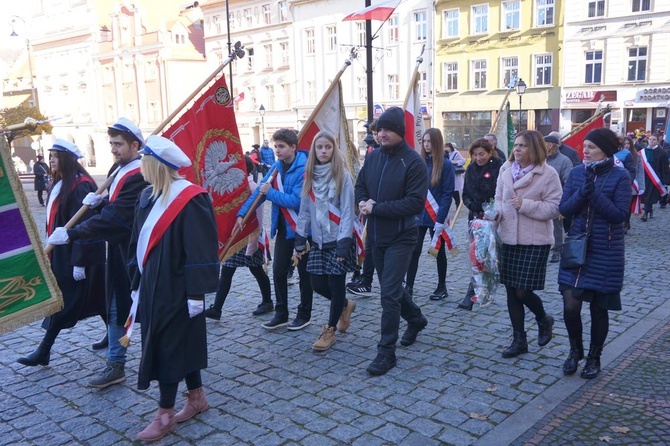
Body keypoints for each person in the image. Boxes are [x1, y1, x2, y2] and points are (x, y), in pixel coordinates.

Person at [127, 136, 219, 442]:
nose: (140, 164)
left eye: (144, 159)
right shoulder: (146, 197)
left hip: (179, 287)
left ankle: (164, 414)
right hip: (152, 284)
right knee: (180, 341)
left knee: (167, 345)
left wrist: (197, 293)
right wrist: (135, 282)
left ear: (155, 164)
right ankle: (197, 397)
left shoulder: (191, 199)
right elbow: (136, 244)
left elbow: (200, 248)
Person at [47, 118, 148, 388]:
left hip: (138, 254)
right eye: (112, 144)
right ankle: (116, 365)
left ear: (135, 145)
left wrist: (73, 232)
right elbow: (112, 210)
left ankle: (164, 364)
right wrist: (99, 203)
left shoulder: (138, 173)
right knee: (116, 307)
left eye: (119, 144)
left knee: (146, 310)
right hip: (118, 253)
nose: (113, 149)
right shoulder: (119, 168)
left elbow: (117, 219)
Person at [17, 140, 105, 367]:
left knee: (62, 301)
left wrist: (80, 261)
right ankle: (115, 335)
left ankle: (43, 350)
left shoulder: (80, 185)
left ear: (67, 159)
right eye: (51, 156)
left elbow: (86, 226)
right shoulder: (60, 183)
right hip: (60, 253)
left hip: (73, 255)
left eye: (56, 156)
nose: (51, 160)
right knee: (99, 300)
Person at [355, 106, 429, 376]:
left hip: (401, 235)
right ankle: (416, 319)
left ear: (399, 132)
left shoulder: (413, 162)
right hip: (375, 235)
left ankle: (386, 352)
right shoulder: (373, 157)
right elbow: (360, 185)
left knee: (388, 293)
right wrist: (362, 201)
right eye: (379, 129)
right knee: (392, 287)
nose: (381, 134)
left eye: (387, 129)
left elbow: (414, 203)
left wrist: (377, 209)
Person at [558, 128, 630, 379]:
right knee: (570, 305)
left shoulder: (620, 176)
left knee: (599, 309)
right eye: (584, 146)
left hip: (606, 250)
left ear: (605, 149)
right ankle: (575, 350)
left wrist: (595, 194)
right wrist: (582, 192)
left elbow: (619, 215)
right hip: (577, 247)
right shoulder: (578, 173)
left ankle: (594, 356)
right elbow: (564, 210)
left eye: (590, 147)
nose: (584, 151)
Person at [236, 129, 314, 330]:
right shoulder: (277, 168)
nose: (277, 150)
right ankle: (281, 313)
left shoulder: (304, 169)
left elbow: (297, 202)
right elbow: (259, 193)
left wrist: (270, 193)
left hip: (302, 230)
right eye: (276, 146)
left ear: (293, 148)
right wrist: (242, 215)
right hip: (282, 228)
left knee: (304, 276)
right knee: (279, 272)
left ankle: (304, 314)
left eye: (281, 146)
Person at [495, 130, 562, 358]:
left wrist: (525, 204)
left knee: (523, 291)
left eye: (523, 146)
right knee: (511, 291)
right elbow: (498, 197)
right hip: (508, 237)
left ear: (534, 148)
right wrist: (496, 213)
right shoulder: (506, 169)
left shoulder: (548, 173)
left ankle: (544, 319)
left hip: (535, 240)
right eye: (516, 145)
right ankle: (519, 339)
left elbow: (554, 208)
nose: (517, 149)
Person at [294, 131, 357, 351]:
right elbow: (304, 211)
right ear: (314, 150)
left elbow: (348, 211)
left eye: (327, 147)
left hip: (338, 239)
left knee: (336, 283)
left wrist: (343, 243)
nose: (323, 151)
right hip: (318, 242)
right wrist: (300, 240)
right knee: (317, 284)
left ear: (334, 149)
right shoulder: (309, 175)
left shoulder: (343, 175)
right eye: (319, 147)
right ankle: (345, 305)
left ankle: (329, 330)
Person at [204, 156, 274, 320]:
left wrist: (252, 245)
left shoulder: (252, 187)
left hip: (248, 238)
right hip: (236, 237)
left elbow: (258, 216)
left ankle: (267, 301)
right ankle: (217, 308)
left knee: (256, 270)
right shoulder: (238, 186)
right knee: (228, 271)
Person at [405, 128, 455, 301]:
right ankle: (408, 287)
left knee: (438, 251)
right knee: (413, 251)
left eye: (429, 142)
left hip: (436, 215)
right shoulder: (419, 162)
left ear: (437, 143)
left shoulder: (446, 165)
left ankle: (442, 286)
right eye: (424, 141)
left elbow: (448, 194)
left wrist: (441, 219)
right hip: (418, 215)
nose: (426, 145)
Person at [458, 138, 504, 310]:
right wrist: (475, 207)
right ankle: (473, 292)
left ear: (490, 152)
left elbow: (500, 193)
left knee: (488, 254)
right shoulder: (470, 169)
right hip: (476, 217)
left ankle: (483, 289)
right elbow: (466, 195)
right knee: (476, 254)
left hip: (493, 218)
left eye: (481, 154)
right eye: (475, 155)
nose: (478, 158)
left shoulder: (499, 167)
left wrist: (491, 210)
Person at [347, 120, 378, 297]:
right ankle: (364, 278)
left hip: (381, 210)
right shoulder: (372, 153)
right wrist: (362, 200)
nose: (375, 136)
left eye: (376, 132)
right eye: (373, 133)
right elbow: (363, 182)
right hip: (366, 208)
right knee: (368, 244)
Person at [544, 134, 573, 264]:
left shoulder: (564, 161)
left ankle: (557, 250)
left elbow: (568, 181)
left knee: (556, 226)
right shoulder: (540, 159)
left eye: (544, 145)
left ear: (551, 146)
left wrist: (563, 199)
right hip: (540, 198)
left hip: (556, 198)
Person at [615, 136, 643, 232]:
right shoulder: (613, 153)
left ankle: (626, 222)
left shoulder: (635, 155)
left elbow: (638, 171)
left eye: (628, 143)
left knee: (627, 204)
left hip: (630, 183)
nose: (626, 145)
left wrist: (641, 185)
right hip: (616, 183)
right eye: (624, 143)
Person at [640, 134, 669, 221]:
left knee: (650, 195)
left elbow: (665, 167)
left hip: (655, 177)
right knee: (646, 194)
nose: (651, 141)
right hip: (645, 176)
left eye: (654, 139)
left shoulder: (662, 153)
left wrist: (666, 180)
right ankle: (649, 210)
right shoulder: (643, 152)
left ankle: (646, 212)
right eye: (650, 139)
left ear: (657, 141)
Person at [445, 142, 466, 208]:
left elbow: (463, 161)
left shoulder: (456, 153)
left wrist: (455, 162)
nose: (446, 148)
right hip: (447, 174)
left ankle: (458, 203)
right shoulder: (444, 153)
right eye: (445, 147)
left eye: (447, 147)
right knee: (449, 190)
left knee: (454, 190)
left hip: (454, 174)